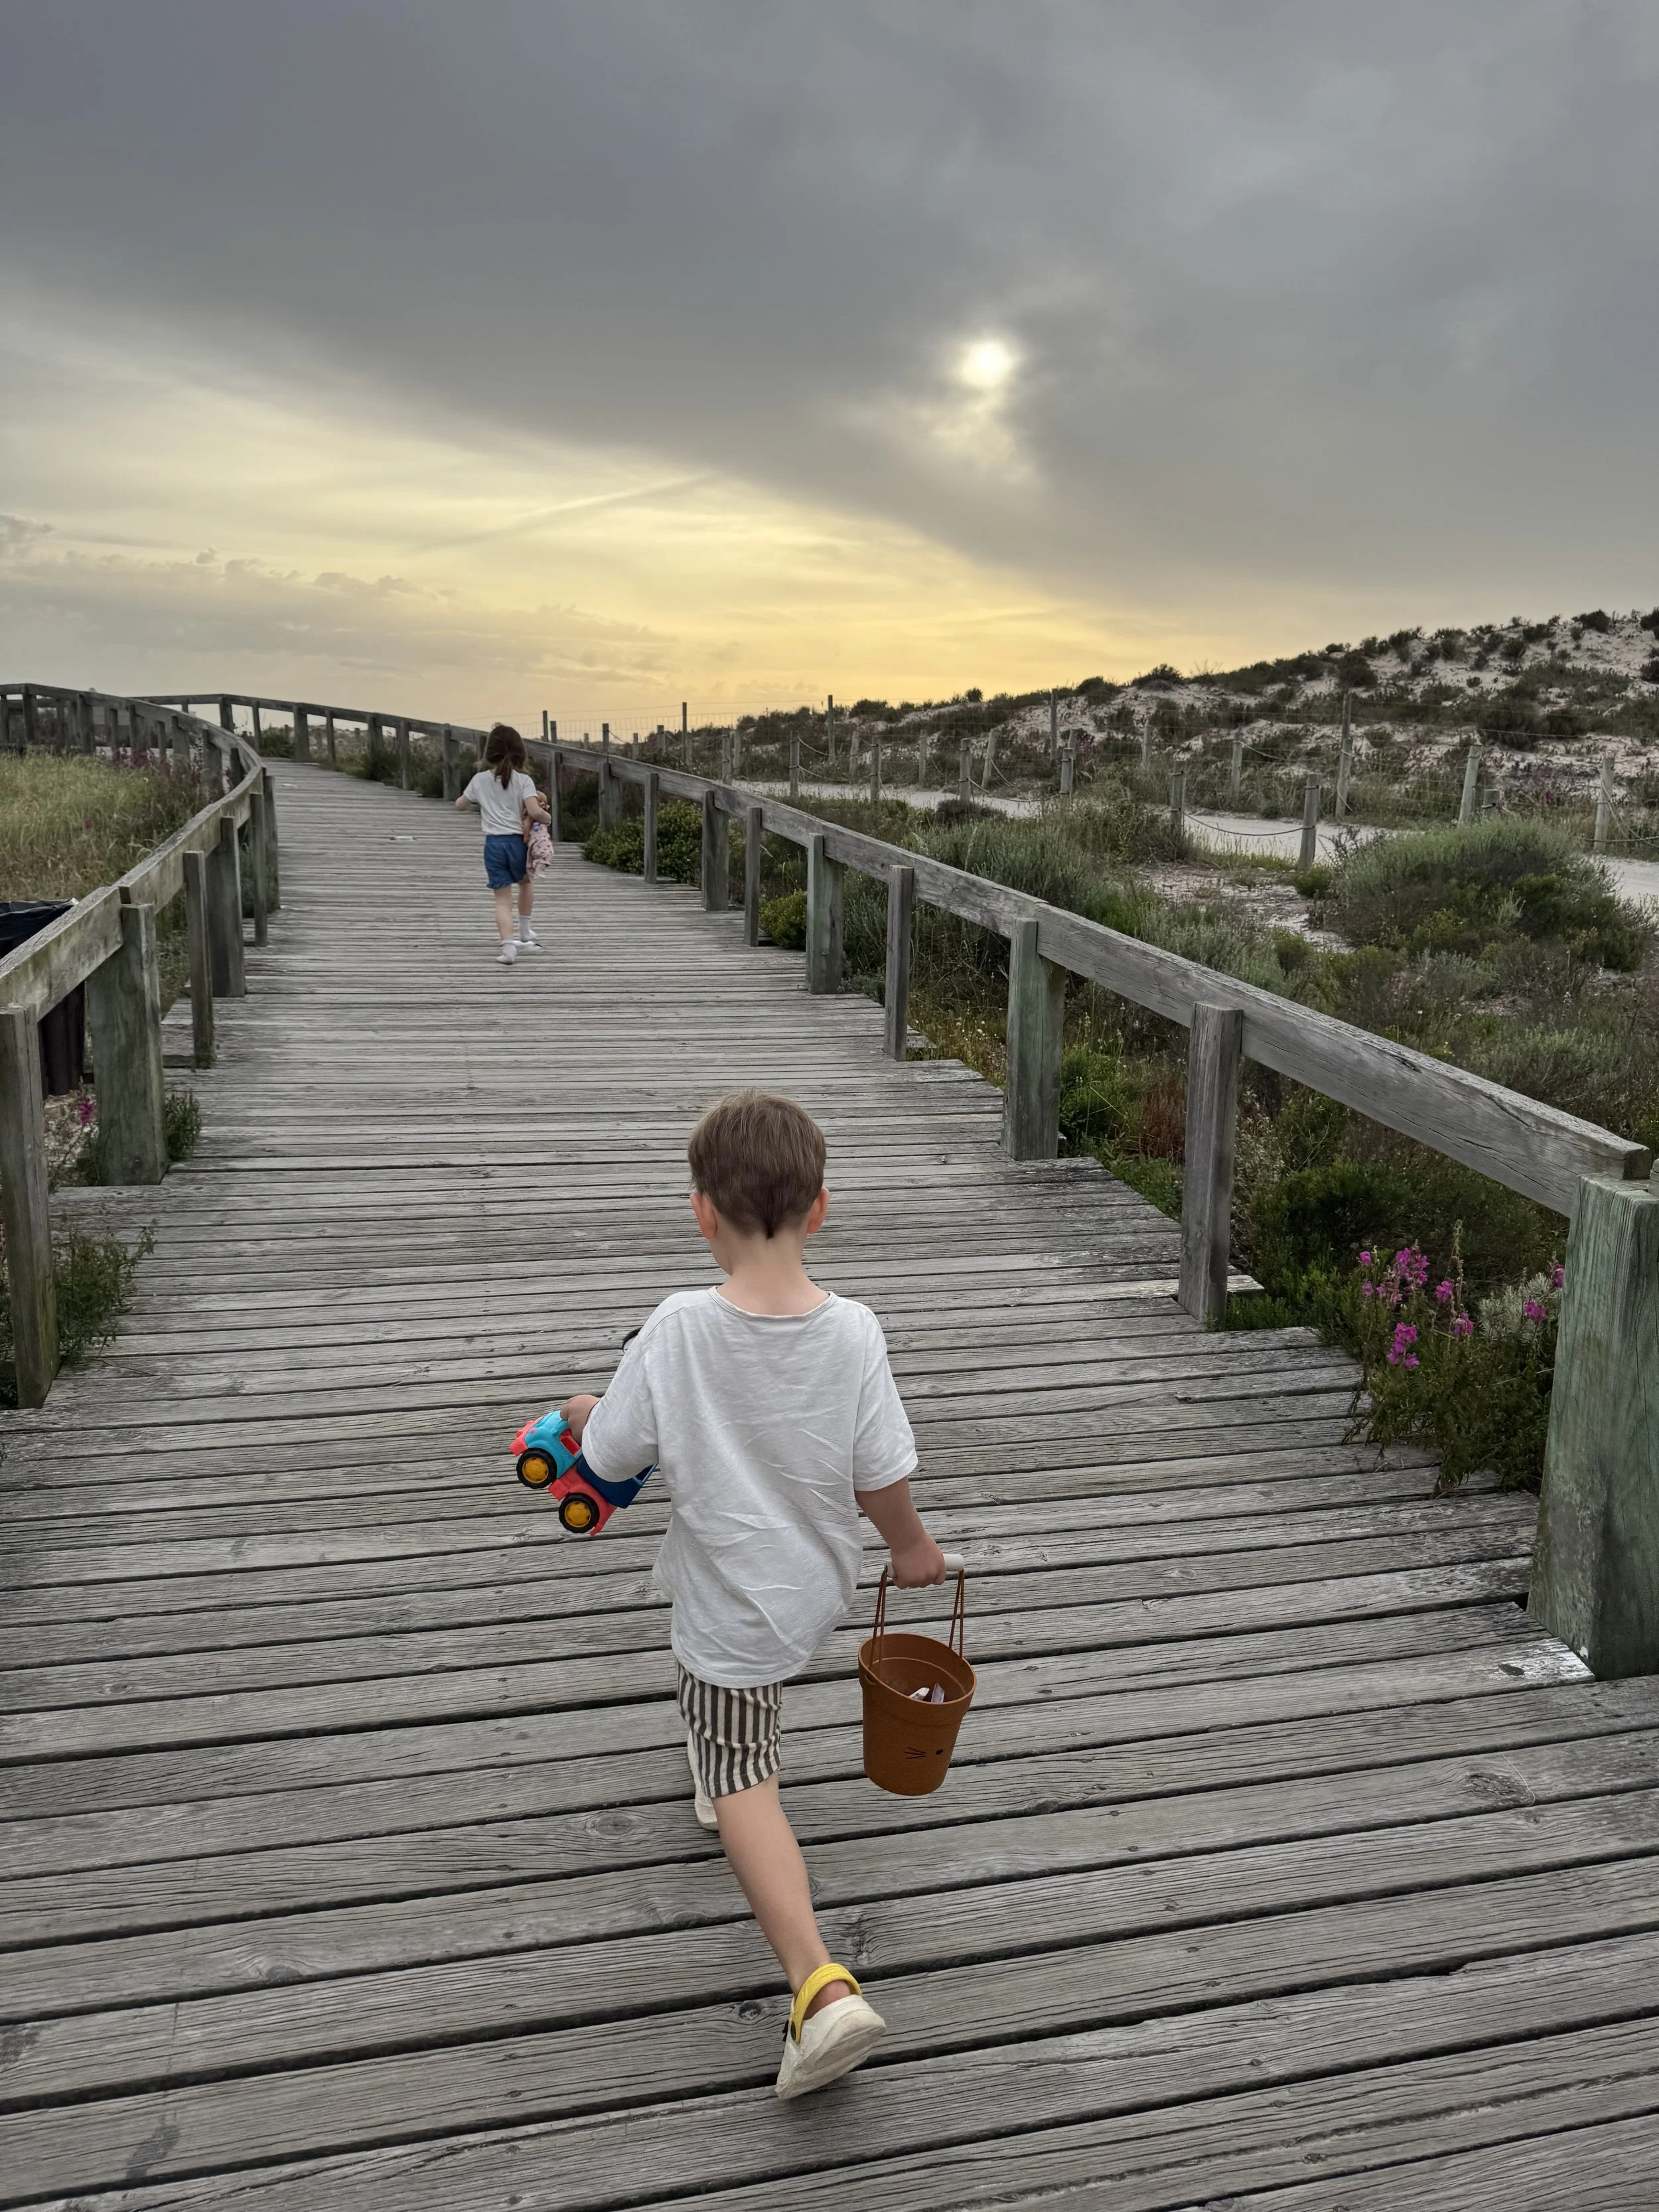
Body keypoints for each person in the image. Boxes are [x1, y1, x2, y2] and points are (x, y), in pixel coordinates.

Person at [561, 1091, 947, 2100]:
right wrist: (910, 1547)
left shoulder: (680, 1327)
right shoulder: (856, 1332)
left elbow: (608, 1456)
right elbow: (879, 1473)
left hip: (730, 1604)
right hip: (813, 1587)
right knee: (733, 1714)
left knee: (746, 1775)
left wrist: (583, 1408)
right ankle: (717, 1758)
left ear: (702, 1213)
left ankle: (818, 1988)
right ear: (820, 1209)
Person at [455, 725, 551, 964]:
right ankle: (525, 931)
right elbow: (533, 811)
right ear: (521, 753)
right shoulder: (524, 781)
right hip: (519, 843)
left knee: (502, 900)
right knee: (526, 883)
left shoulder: (479, 781)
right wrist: (546, 817)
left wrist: (477, 799)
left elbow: (460, 805)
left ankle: (508, 949)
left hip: (494, 846)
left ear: (489, 753)